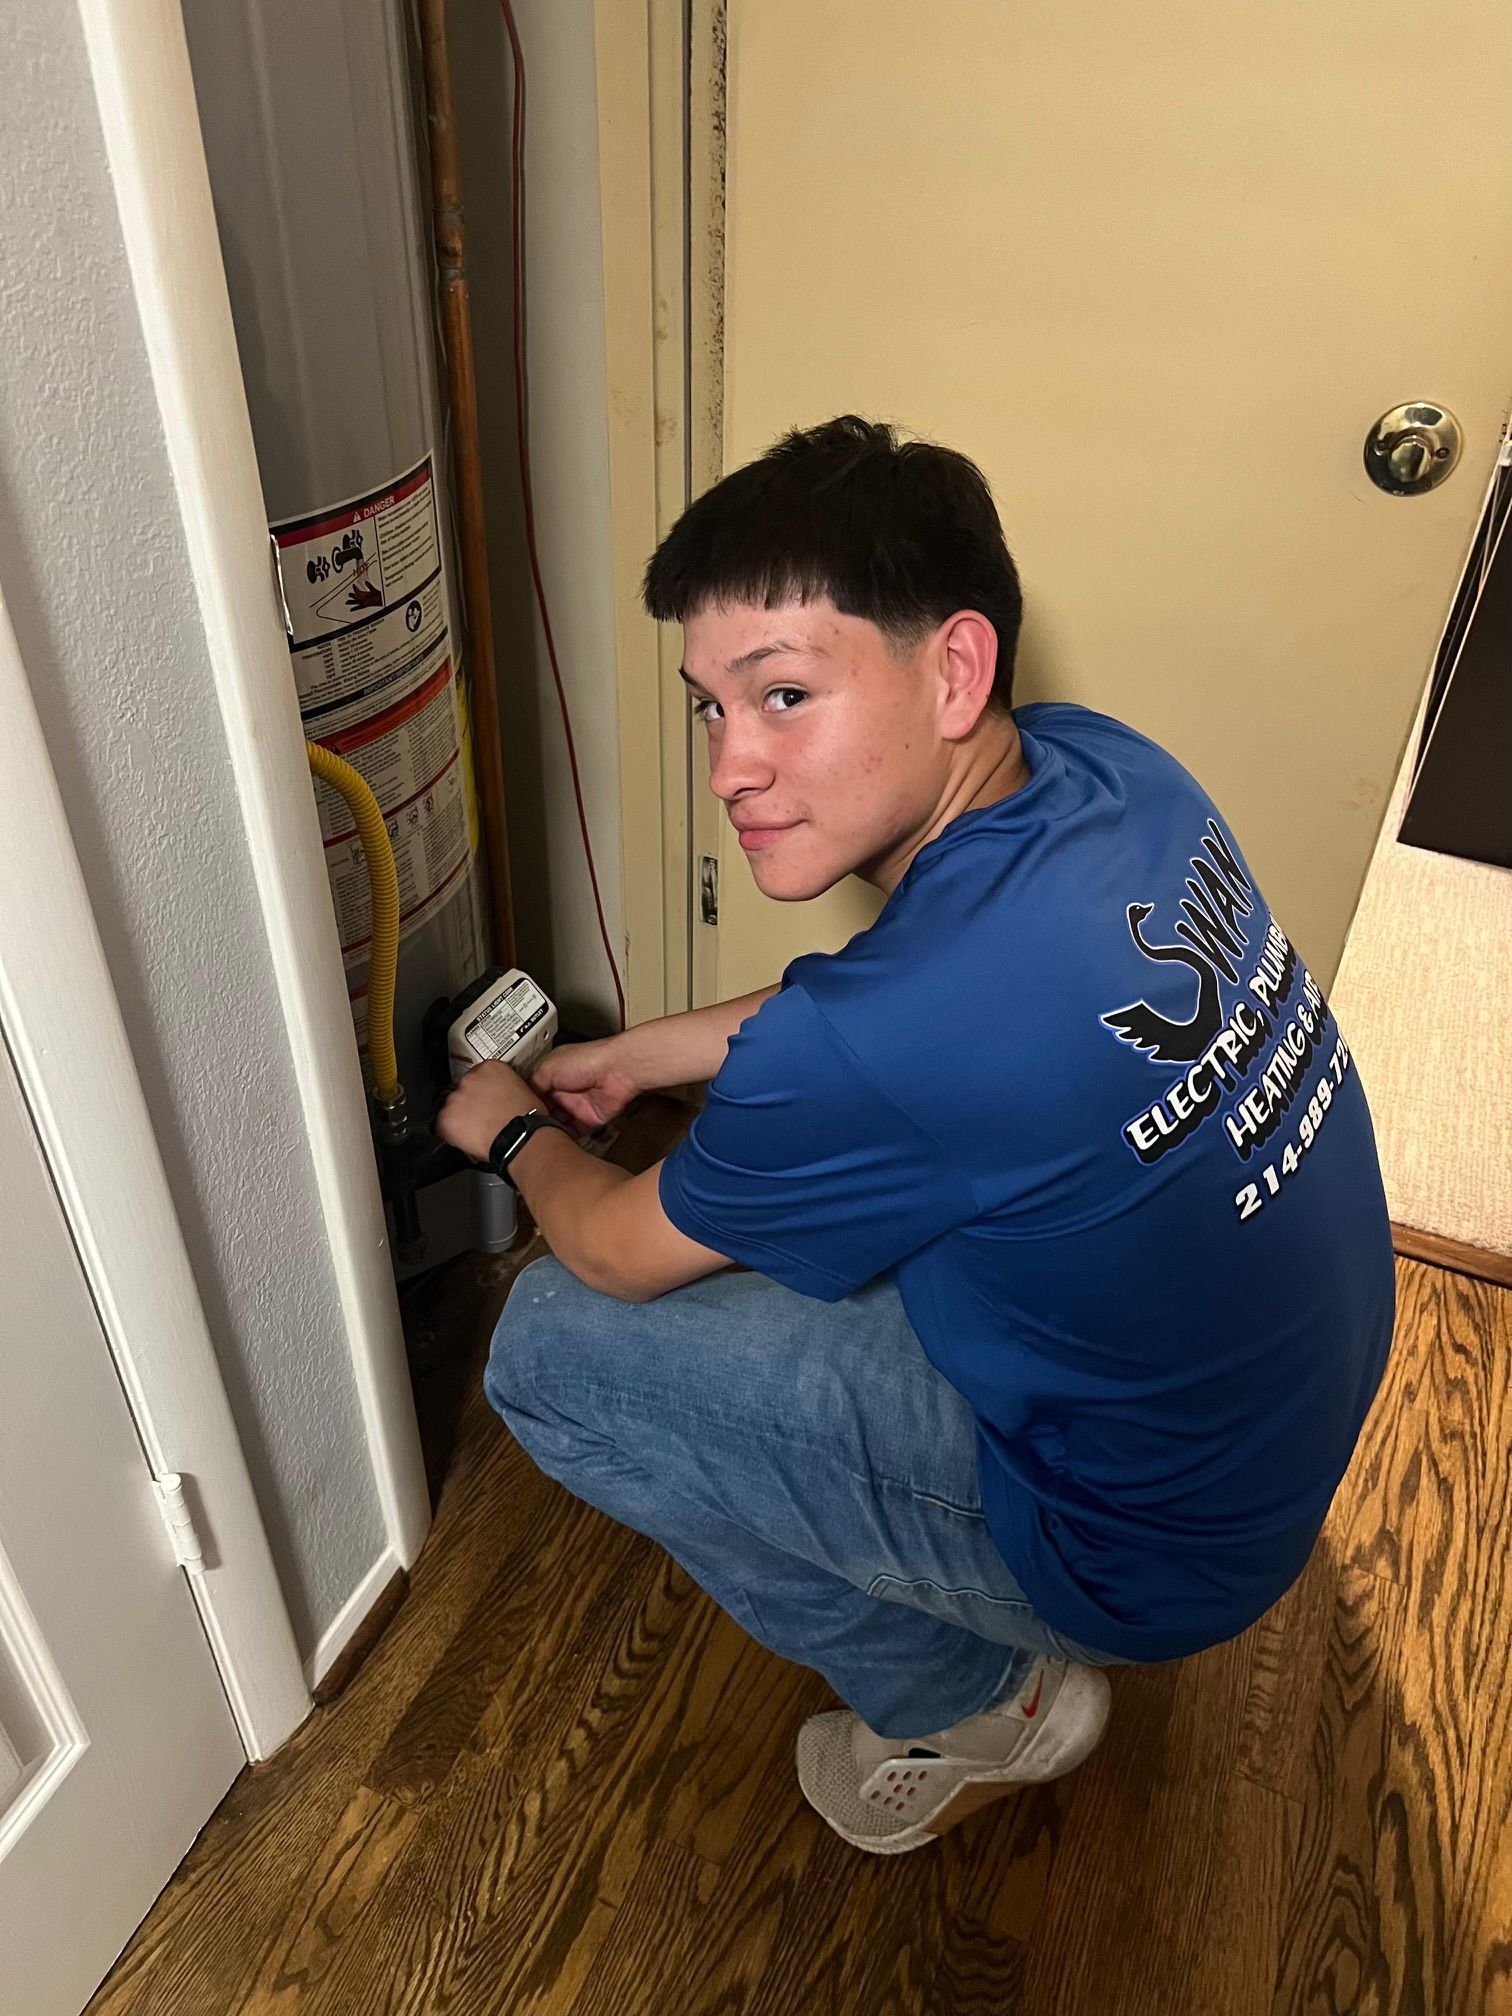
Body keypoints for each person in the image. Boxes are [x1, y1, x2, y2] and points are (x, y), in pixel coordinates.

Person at [437, 415, 1396, 1855]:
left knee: (548, 1356)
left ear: (953, 668)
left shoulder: (883, 1041)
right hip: (1271, 1434)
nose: (729, 770)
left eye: (782, 697)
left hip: (1137, 1553)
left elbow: (618, 1253)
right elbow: (884, 1000)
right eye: (711, 706)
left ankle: (976, 1702)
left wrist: (512, 1134)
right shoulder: (1106, 771)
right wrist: (642, 1052)